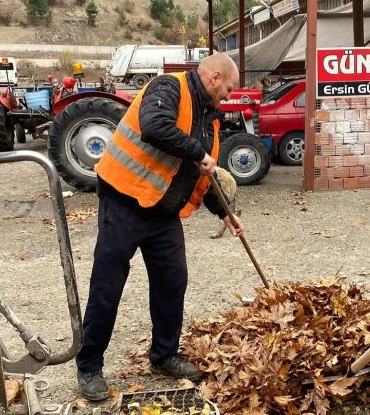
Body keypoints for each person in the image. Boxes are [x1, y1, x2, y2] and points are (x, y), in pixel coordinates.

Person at [75, 53, 244, 401]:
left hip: (163, 213)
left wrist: (223, 212)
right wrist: (198, 153)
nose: (229, 95)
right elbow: (154, 126)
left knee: (172, 281)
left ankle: (164, 356)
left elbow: (202, 175)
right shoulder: (168, 87)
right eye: (228, 88)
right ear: (214, 77)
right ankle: (89, 365)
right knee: (108, 286)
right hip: (124, 201)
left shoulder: (209, 119)